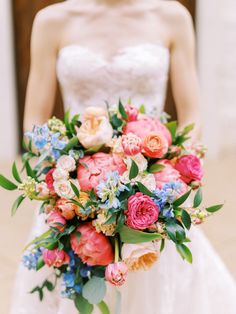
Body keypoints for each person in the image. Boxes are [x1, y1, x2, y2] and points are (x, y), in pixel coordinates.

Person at [11, 0, 236, 313]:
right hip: (76, 193)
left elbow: (192, 114)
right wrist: (68, 176)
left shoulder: (172, 17)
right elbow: (33, 121)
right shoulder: (51, 21)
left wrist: (164, 172)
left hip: (152, 192)